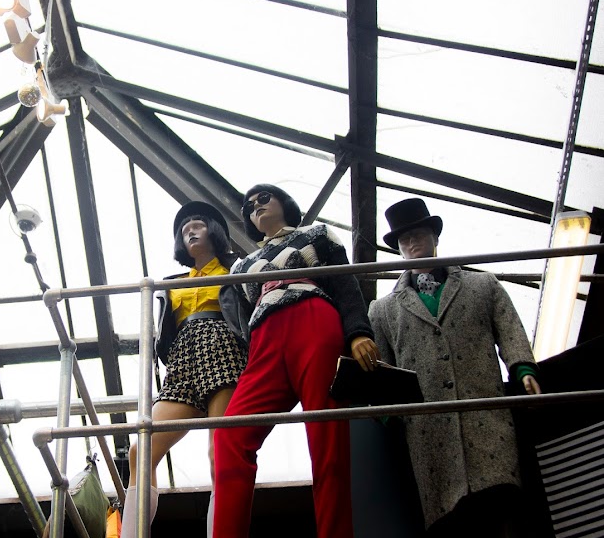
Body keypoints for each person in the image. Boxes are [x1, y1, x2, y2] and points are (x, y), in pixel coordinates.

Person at [367, 197, 542, 538]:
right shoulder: (383, 311)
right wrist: (385, 412)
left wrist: (523, 368)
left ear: (435, 236)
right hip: (431, 440)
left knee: (504, 514)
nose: (412, 243)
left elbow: (509, 330)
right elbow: (382, 372)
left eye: (419, 234)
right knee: (453, 527)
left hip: (487, 423)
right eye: (404, 239)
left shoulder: (482, 286)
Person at [212, 184, 380, 538]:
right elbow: (241, 319)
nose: (256, 206)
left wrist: (357, 333)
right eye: (249, 206)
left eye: (263, 198)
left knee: (327, 438)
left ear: (283, 202)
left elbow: (344, 284)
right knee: (230, 434)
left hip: (313, 321)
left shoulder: (317, 235)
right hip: (264, 341)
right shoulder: (241, 266)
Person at [121, 201, 248, 538]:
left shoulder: (238, 271)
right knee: (141, 450)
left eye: (197, 225)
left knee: (220, 452)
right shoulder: (172, 283)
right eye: (184, 229)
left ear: (214, 231)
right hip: (182, 358)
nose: (189, 231)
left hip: (221, 347)